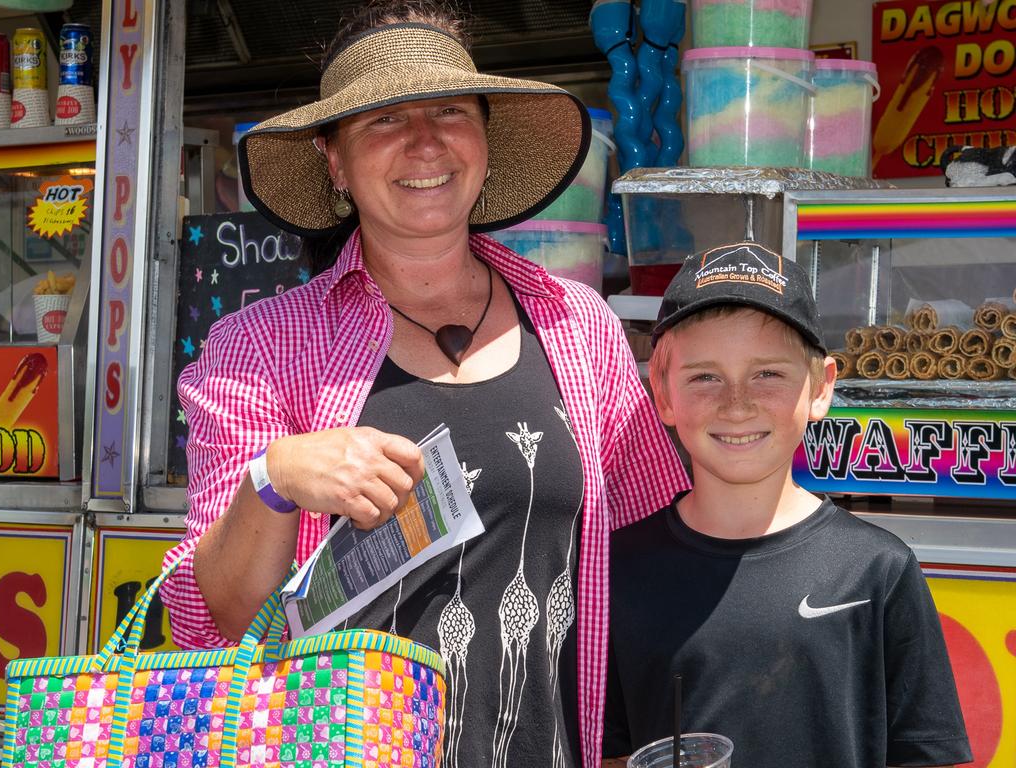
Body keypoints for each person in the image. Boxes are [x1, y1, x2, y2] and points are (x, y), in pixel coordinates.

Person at [159, 2, 689, 766]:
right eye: (382, 120)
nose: (424, 140)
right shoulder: (260, 346)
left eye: (449, 111)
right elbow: (217, 618)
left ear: (482, 140)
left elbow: (654, 541)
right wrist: (273, 481)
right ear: (334, 163)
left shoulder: (576, 324)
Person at [603, 242, 972, 768]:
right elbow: (605, 746)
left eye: (768, 374)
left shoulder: (877, 570)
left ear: (820, 388)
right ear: (661, 392)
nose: (737, 403)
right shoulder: (616, 570)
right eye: (704, 376)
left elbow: (926, 753)